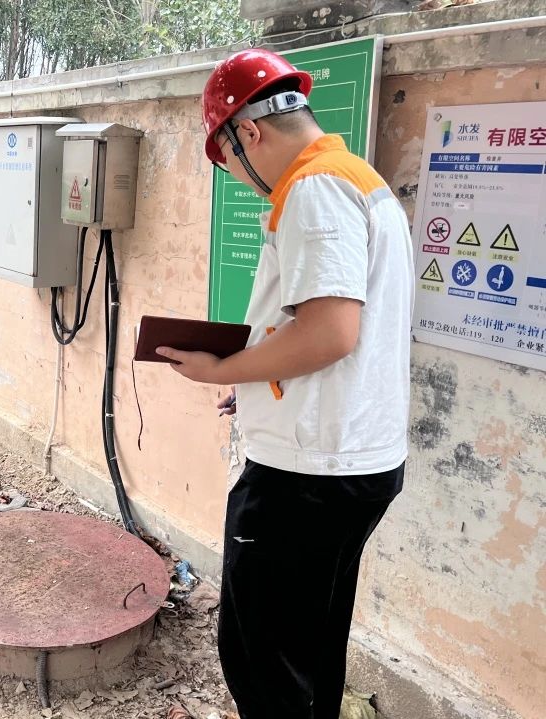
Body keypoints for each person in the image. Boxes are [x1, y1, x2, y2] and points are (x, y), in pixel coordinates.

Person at [156, 49, 413, 719]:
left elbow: (330, 331)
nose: (245, 181)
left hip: (307, 478)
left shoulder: (313, 186)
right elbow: (320, 331)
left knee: (262, 660)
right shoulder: (359, 181)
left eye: (231, 163)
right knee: (309, 653)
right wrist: (251, 380)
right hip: (349, 461)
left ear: (247, 133)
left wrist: (220, 366)